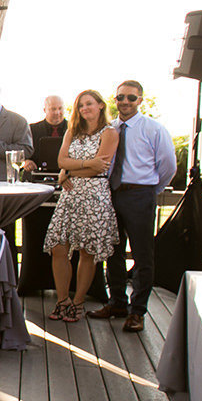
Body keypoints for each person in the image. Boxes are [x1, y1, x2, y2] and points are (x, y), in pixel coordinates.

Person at [89, 80, 177, 333]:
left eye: (131, 98)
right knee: (111, 252)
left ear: (140, 100)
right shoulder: (110, 129)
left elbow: (168, 166)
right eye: (120, 98)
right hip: (111, 194)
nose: (125, 102)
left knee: (142, 255)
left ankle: (137, 311)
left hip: (140, 195)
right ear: (114, 100)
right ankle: (117, 303)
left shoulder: (153, 129)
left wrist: (152, 190)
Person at [44, 90, 119, 322]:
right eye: (80, 105)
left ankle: (78, 302)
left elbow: (100, 168)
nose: (84, 108)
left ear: (100, 106)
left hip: (94, 195)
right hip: (70, 196)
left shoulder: (109, 133)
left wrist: (68, 172)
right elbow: (60, 161)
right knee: (58, 246)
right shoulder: (71, 131)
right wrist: (80, 165)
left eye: (89, 104)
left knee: (87, 251)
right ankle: (62, 299)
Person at [23, 95, 68, 175]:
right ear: (45, 110)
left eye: (60, 108)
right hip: (37, 177)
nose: (57, 112)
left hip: (67, 176)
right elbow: (21, 152)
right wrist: (26, 161)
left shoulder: (74, 129)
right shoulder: (31, 130)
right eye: (53, 109)